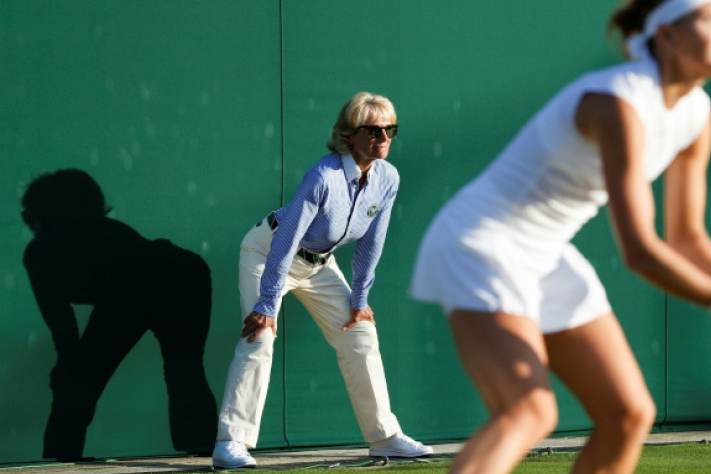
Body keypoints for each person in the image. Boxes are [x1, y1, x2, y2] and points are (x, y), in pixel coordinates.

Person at [409, 0, 711, 474]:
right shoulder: (617, 102)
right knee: (529, 409)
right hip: (480, 242)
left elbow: (686, 236)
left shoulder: (697, 115)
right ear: (667, 35)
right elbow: (639, 249)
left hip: (546, 253)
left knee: (628, 413)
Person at [212, 92, 432, 469]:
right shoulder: (323, 176)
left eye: (390, 129)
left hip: (319, 265)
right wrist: (267, 303)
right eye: (373, 130)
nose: (383, 137)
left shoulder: (387, 178)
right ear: (349, 135)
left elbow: (371, 244)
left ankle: (384, 437)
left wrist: (360, 300)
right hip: (268, 253)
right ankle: (231, 442)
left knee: (360, 332)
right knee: (259, 336)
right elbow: (287, 238)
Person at [21, 168, 217, 461]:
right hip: (179, 277)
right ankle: (202, 448)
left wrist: (68, 363)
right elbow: (64, 326)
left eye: (29, 216)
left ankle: (60, 457)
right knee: (183, 370)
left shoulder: (47, 251)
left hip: (165, 281)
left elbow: (62, 325)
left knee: (83, 381)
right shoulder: (97, 236)